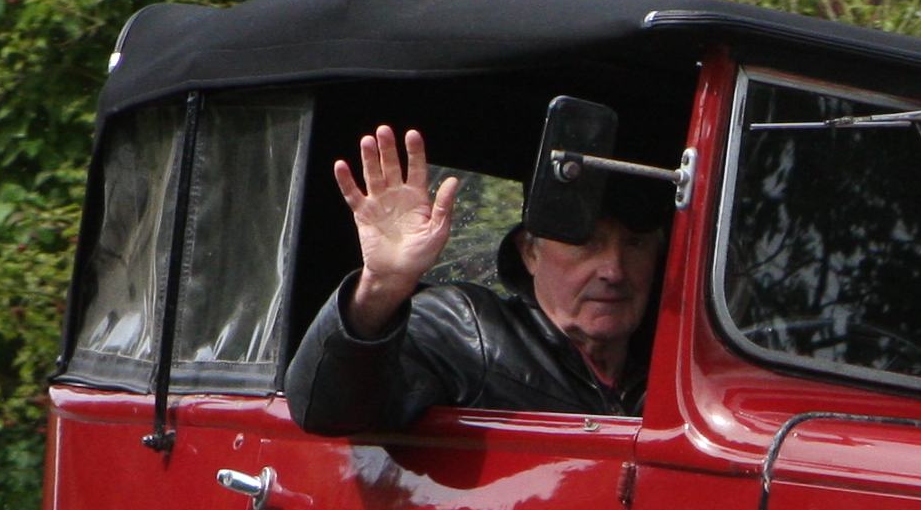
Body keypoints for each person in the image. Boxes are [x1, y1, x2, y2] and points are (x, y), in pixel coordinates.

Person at [284, 124, 665, 433]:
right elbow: (325, 410)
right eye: (586, 244)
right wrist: (382, 285)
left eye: (635, 244)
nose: (613, 271)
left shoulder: (674, 370)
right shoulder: (466, 329)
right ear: (530, 252)